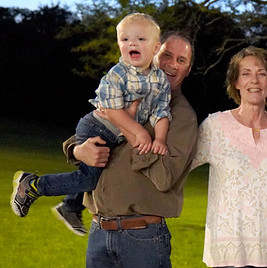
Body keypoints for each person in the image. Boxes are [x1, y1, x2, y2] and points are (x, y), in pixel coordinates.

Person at [11, 13, 171, 231]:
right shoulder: (117, 75)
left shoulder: (159, 79)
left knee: (101, 172)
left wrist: (160, 138)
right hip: (98, 127)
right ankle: (33, 186)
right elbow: (114, 112)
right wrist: (138, 133)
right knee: (88, 179)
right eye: (125, 39)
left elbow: (161, 110)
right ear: (119, 45)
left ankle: (70, 205)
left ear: (156, 48)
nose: (132, 43)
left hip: (116, 134)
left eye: (141, 39)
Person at [57, 31, 197, 267]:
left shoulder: (182, 117)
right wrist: (77, 151)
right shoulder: (124, 92)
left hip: (142, 237)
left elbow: (165, 178)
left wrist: (135, 136)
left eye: (181, 60)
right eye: (167, 55)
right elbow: (86, 133)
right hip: (99, 233)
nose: (172, 65)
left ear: (188, 70)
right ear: (153, 53)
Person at [191, 46, 267, 268]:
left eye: (262, 73)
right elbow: (178, 165)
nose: (254, 80)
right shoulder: (215, 126)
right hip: (227, 251)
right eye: (246, 73)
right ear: (235, 82)